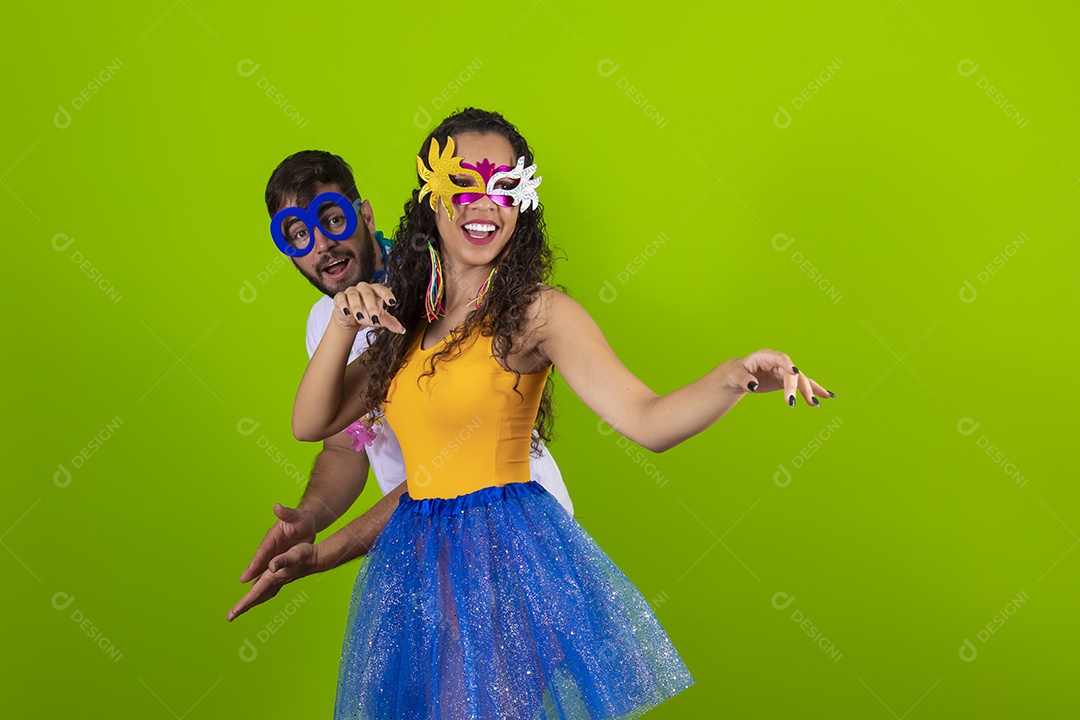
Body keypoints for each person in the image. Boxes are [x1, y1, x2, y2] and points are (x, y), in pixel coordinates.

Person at [295, 108, 835, 719]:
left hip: (502, 554)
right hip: (418, 559)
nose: (484, 203)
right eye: (464, 184)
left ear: (521, 203)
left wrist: (735, 376)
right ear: (430, 201)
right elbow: (312, 424)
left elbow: (647, 420)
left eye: (503, 186)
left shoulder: (536, 314)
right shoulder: (404, 320)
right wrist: (344, 317)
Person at [228, 151, 572, 622]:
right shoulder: (327, 323)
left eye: (333, 219)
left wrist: (327, 552)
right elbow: (345, 447)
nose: (323, 245)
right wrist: (310, 519)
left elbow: (447, 469)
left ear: (365, 215)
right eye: (300, 234)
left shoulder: (438, 292)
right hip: (429, 536)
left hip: (505, 529)